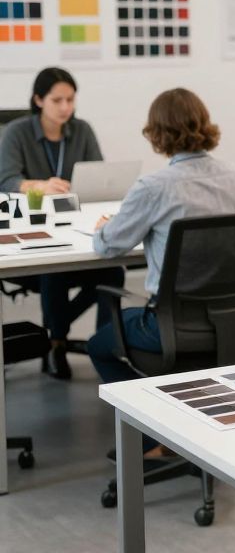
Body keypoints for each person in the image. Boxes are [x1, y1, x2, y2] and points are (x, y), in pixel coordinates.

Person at [87, 89, 235, 453]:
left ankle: (156, 436)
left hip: (173, 328)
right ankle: (185, 428)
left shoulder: (153, 187)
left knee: (98, 346)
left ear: (156, 133)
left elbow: (108, 246)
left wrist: (105, 227)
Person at [0, 67, 124, 379]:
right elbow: (6, 181)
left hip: (75, 228)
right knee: (54, 273)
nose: (65, 107)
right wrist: (38, 185)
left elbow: (98, 177)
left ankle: (104, 345)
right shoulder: (16, 132)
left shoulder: (82, 130)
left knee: (113, 271)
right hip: (35, 236)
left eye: (70, 99)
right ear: (38, 100)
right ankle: (55, 344)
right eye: (57, 100)